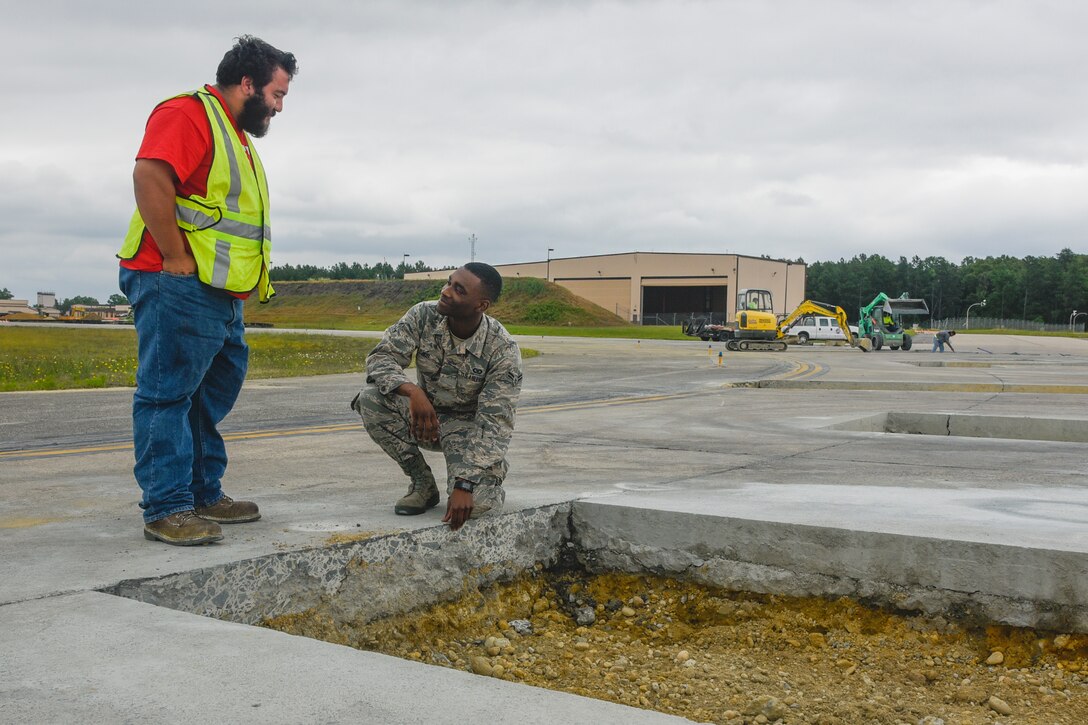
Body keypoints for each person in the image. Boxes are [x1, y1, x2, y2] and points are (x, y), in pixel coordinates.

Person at [116, 36, 298, 546]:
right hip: (176, 278)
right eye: (278, 95)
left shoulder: (234, 134)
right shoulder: (189, 114)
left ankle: (200, 490)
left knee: (207, 393)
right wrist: (175, 257)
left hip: (221, 291)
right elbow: (150, 176)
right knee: (167, 394)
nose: (280, 108)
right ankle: (166, 507)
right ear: (248, 84)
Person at [352, 263, 523, 531]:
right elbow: (380, 357)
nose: (445, 292)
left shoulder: (502, 350)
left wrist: (465, 483)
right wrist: (412, 391)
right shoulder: (424, 314)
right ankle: (422, 484)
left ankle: (489, 476)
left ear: (481, 305)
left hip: (469, 435)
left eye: (459, 290)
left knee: (476, 508)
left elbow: (495, 424)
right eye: (448, 282)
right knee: (371, 399)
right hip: (425, 419)